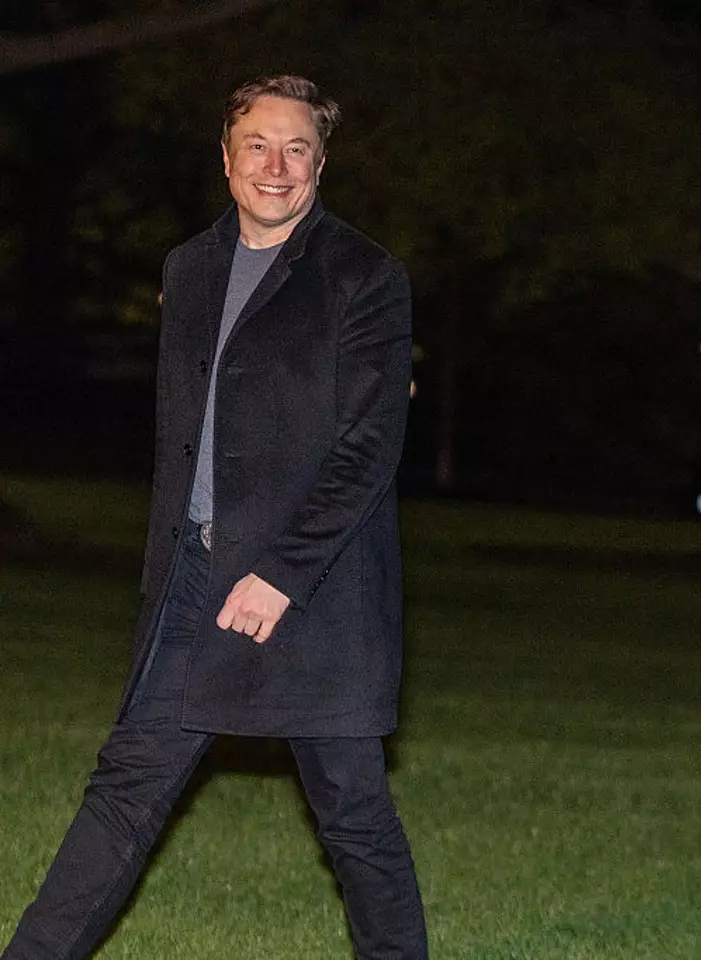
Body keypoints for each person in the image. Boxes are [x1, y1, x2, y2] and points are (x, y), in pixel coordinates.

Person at [2, 75, 426, 959]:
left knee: (352, 812)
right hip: (196, 579)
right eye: (257, 146)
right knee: (127, 786)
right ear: (225, 159)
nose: (276, 166)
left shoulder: (364, 276)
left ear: (321, 163)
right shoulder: (188, 270)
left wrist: (282, 573)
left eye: (297, 148)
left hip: (317, 591)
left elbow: (368, 447)